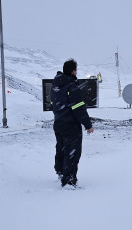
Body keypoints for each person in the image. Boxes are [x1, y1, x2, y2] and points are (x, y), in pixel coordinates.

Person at [51, 58, 94, 187]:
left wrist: (60, 116)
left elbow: (53, 104)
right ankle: (69, 181)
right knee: (72, 153)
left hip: (58, 123)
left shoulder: (56, 85)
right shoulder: (72, 86)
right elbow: (79, 108)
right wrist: (88, 125)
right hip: (71, 126)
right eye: (76, 70)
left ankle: (61, 172)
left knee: (61, 149)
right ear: (73, 71)